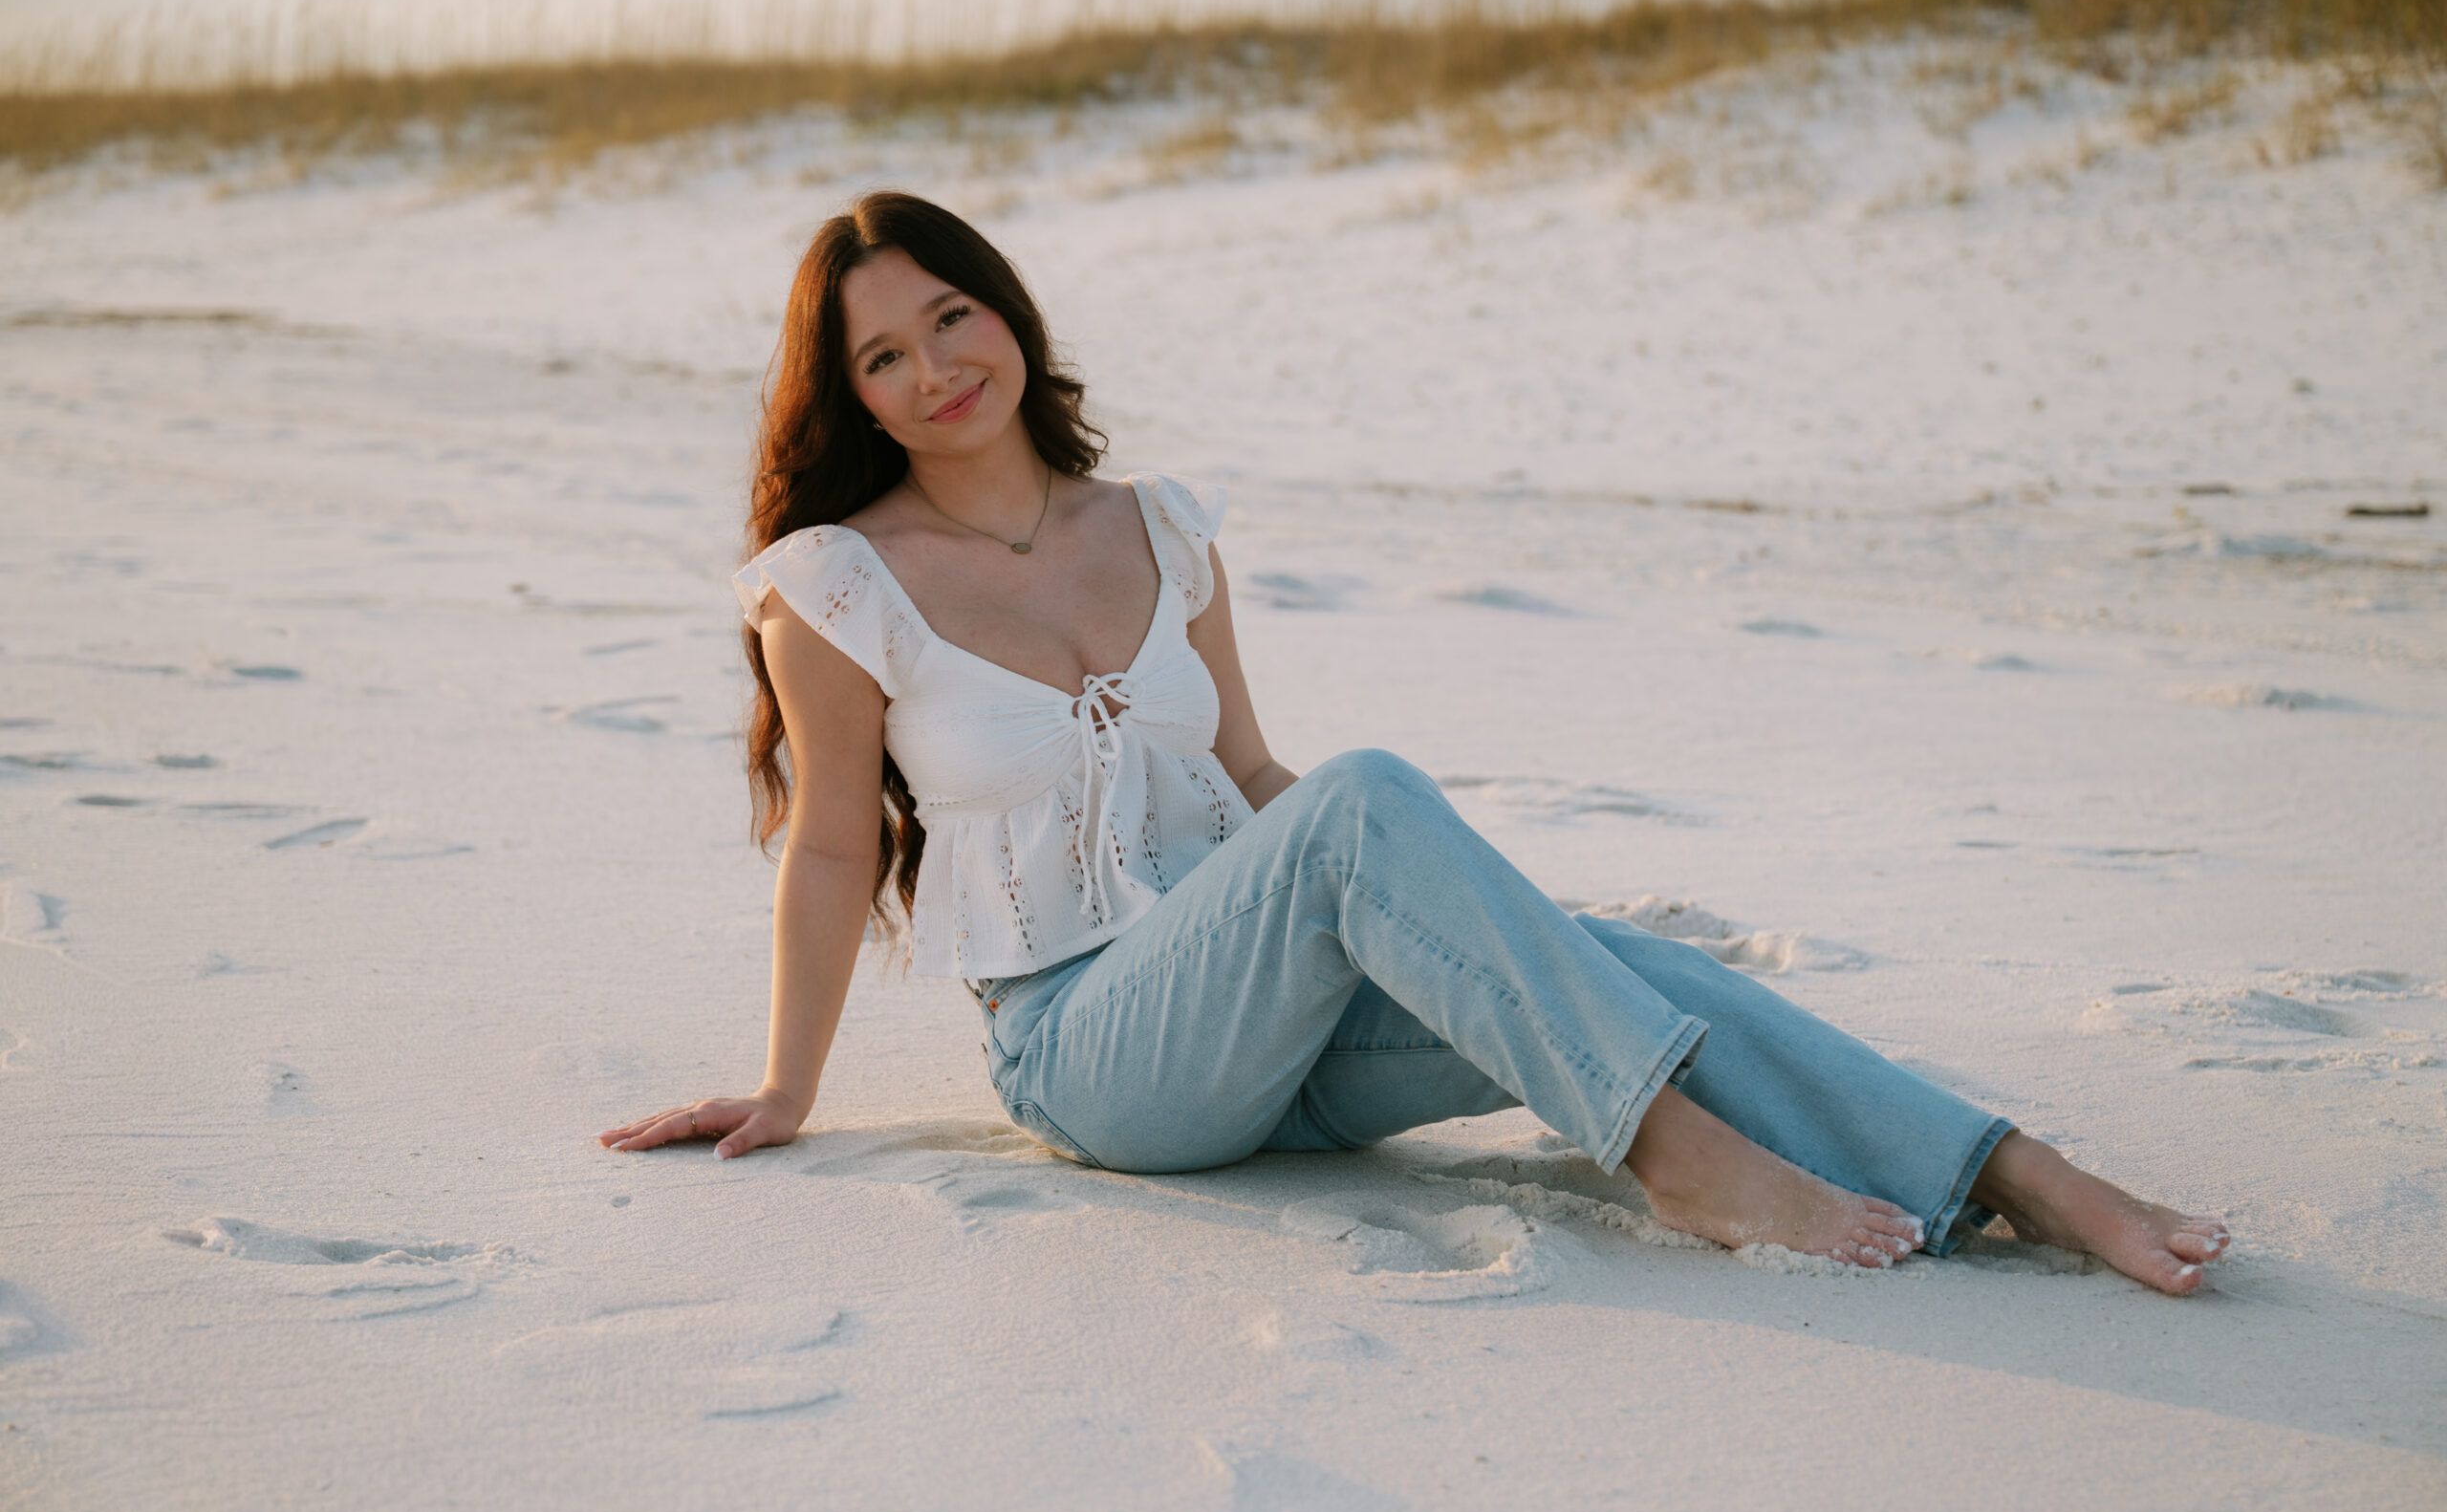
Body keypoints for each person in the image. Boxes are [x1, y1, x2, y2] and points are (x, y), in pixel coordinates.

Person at [599, 191, 2231, 1294]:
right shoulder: (836, 585)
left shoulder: (1161, 531)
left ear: (1009, 316)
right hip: (1094, 1051)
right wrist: (782, 1087)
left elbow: (1251, 779)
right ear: (857, 397)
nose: (935, 368)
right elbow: (826, 843)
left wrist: (1454, 929)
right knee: (1386, 810)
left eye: (952, 318)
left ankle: (2018, 1173)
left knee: (1614, 965)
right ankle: (1686, 1163)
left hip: (1276, 1026)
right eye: (883, 355)